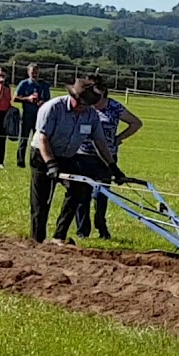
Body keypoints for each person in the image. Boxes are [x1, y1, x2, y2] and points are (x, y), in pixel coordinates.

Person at [28, 78, 126, 245]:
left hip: (67, 156)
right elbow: (43, 138)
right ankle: (37, 240)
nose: (84, 108)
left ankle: (59, 236)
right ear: (73, 97)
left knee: (77, 191)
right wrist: (51, 164)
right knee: (41, 201)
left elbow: (100, 142)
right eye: (82, 104)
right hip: (42, 156)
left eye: (88, 105)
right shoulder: (52, 108)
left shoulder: (91, 115)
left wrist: (112, 167)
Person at [74, 78, 143, 240]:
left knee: (101, 194)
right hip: (84, 155)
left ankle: (101, 226)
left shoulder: (114, 107)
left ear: (102, 91)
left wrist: (118, 138)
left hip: (107, 158)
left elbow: (136, 123)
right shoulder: (86, 107)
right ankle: (82, 230)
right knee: (82, 195)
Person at [14, 63, 51, 168]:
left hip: (40, 117)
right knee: (24, 139)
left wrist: (43, 103)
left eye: (36, 72)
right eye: (32, 72)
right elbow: (15, 98)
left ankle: (36, 161)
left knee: (38, 140)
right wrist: (28, 99)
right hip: (27, 115)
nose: (34, 74)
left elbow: (48, 100)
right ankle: (20, 162)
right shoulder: (24, 84)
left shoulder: (44, 85)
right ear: (28, 72)